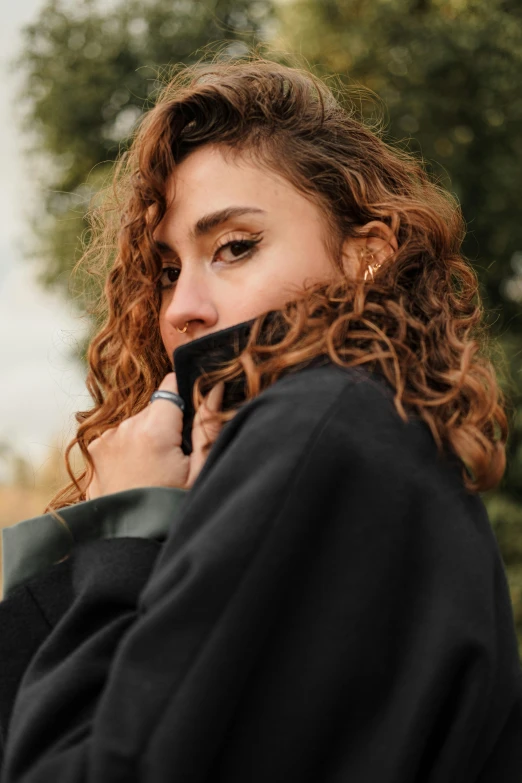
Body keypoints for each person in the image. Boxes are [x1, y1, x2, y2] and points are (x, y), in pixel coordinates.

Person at [1, 53, 521, 782]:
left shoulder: (317, 428)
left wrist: (120, 525)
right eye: (170, 270)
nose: (182, 308)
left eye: (235, 247)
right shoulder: (373, 442)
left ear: (365, 256)